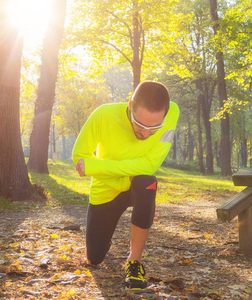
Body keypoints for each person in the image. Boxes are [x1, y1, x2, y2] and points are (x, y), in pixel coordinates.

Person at [72, 80, 179, 290]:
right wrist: (122, 175)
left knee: (147, 182)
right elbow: (80, 157)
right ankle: (100, 242)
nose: (146, 134)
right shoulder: (103, 115)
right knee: (94, 258)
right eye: (140, 125)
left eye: (155, 127)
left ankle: (134, 262)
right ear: (130, 105)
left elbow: (150, 165)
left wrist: (97, 167)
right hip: (106, 190)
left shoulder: (172, 112)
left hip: (137, 185)